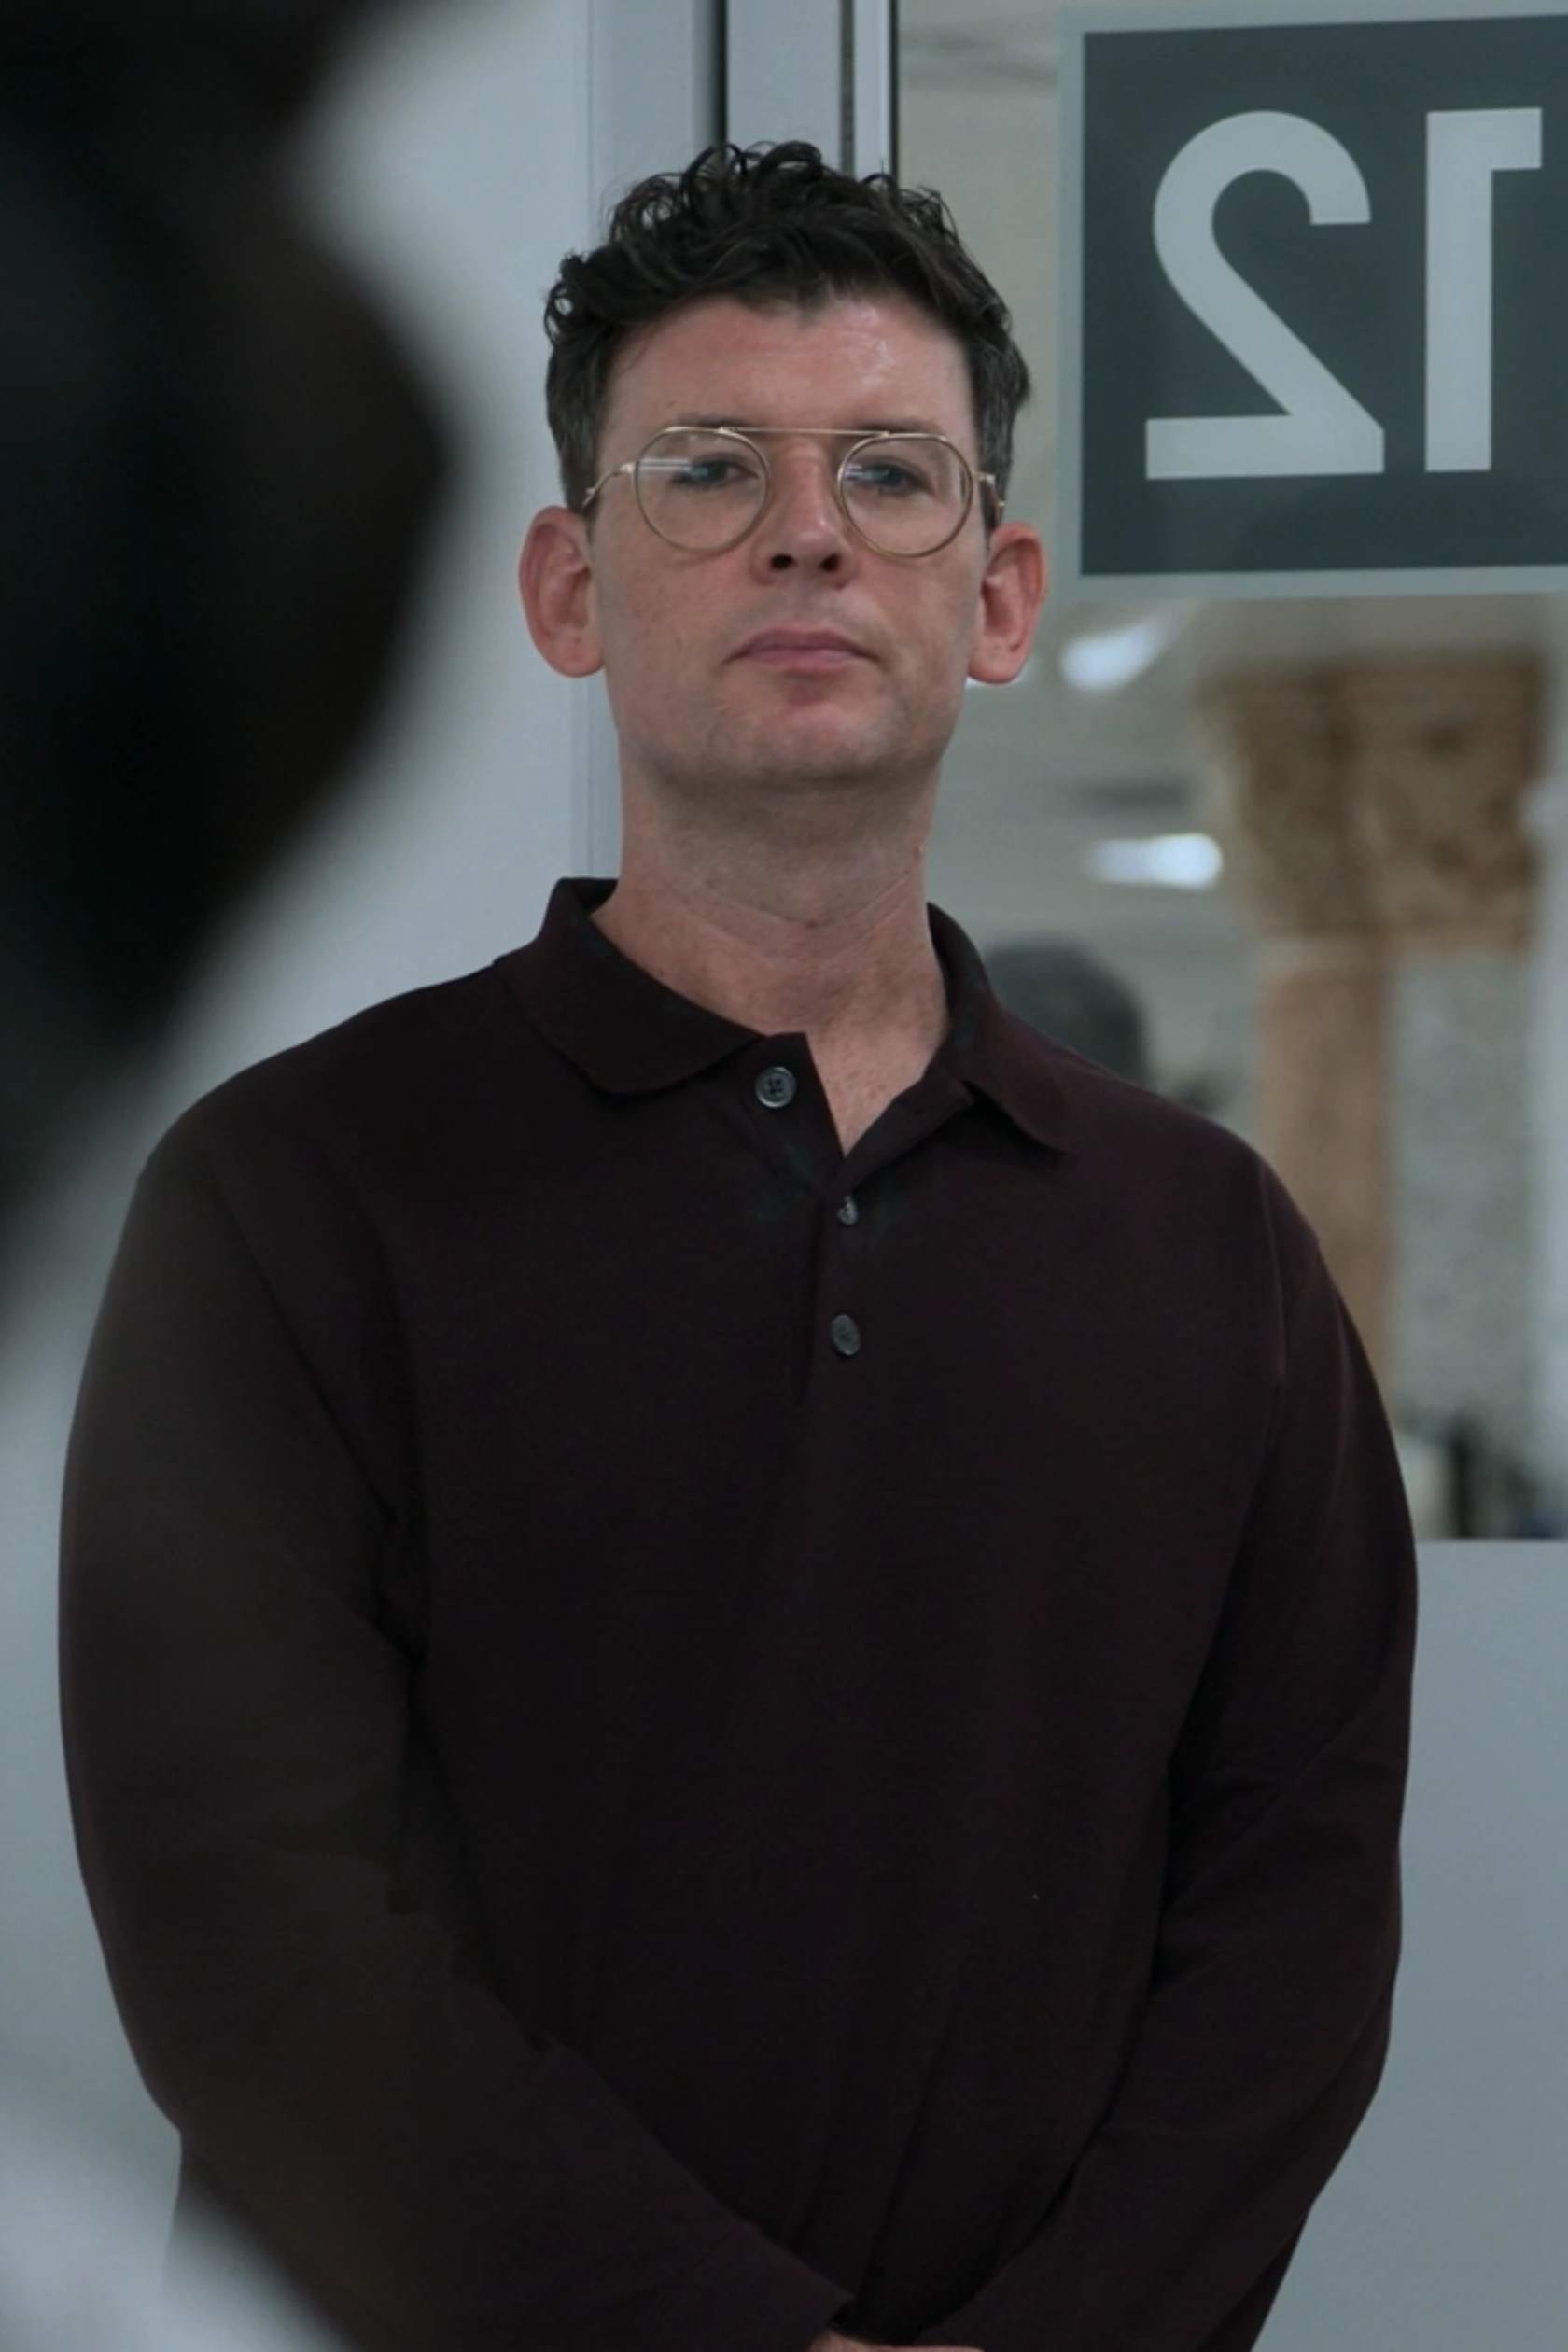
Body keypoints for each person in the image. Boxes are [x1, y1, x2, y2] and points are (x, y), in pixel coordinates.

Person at [59, 143, 1417, 2352]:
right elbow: (254, 1939)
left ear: (999, 597)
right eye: (706, 470)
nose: (807, 530)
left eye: (891, 472)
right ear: (569, 586)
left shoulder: (1216, 1253)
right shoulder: (288, 1199)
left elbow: (1296, 1927)